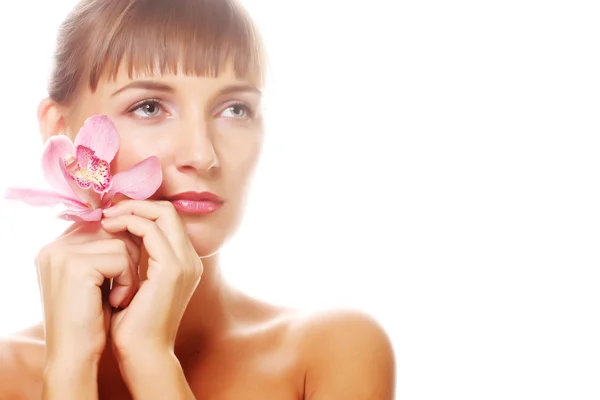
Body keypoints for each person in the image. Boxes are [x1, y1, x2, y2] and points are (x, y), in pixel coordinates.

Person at [0, 0, 396, 398]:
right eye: (149, 107)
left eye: (235, 109)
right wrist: (69, 370)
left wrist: (151, 360)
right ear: (60, 131)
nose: (202, 155)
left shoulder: (331, 352)